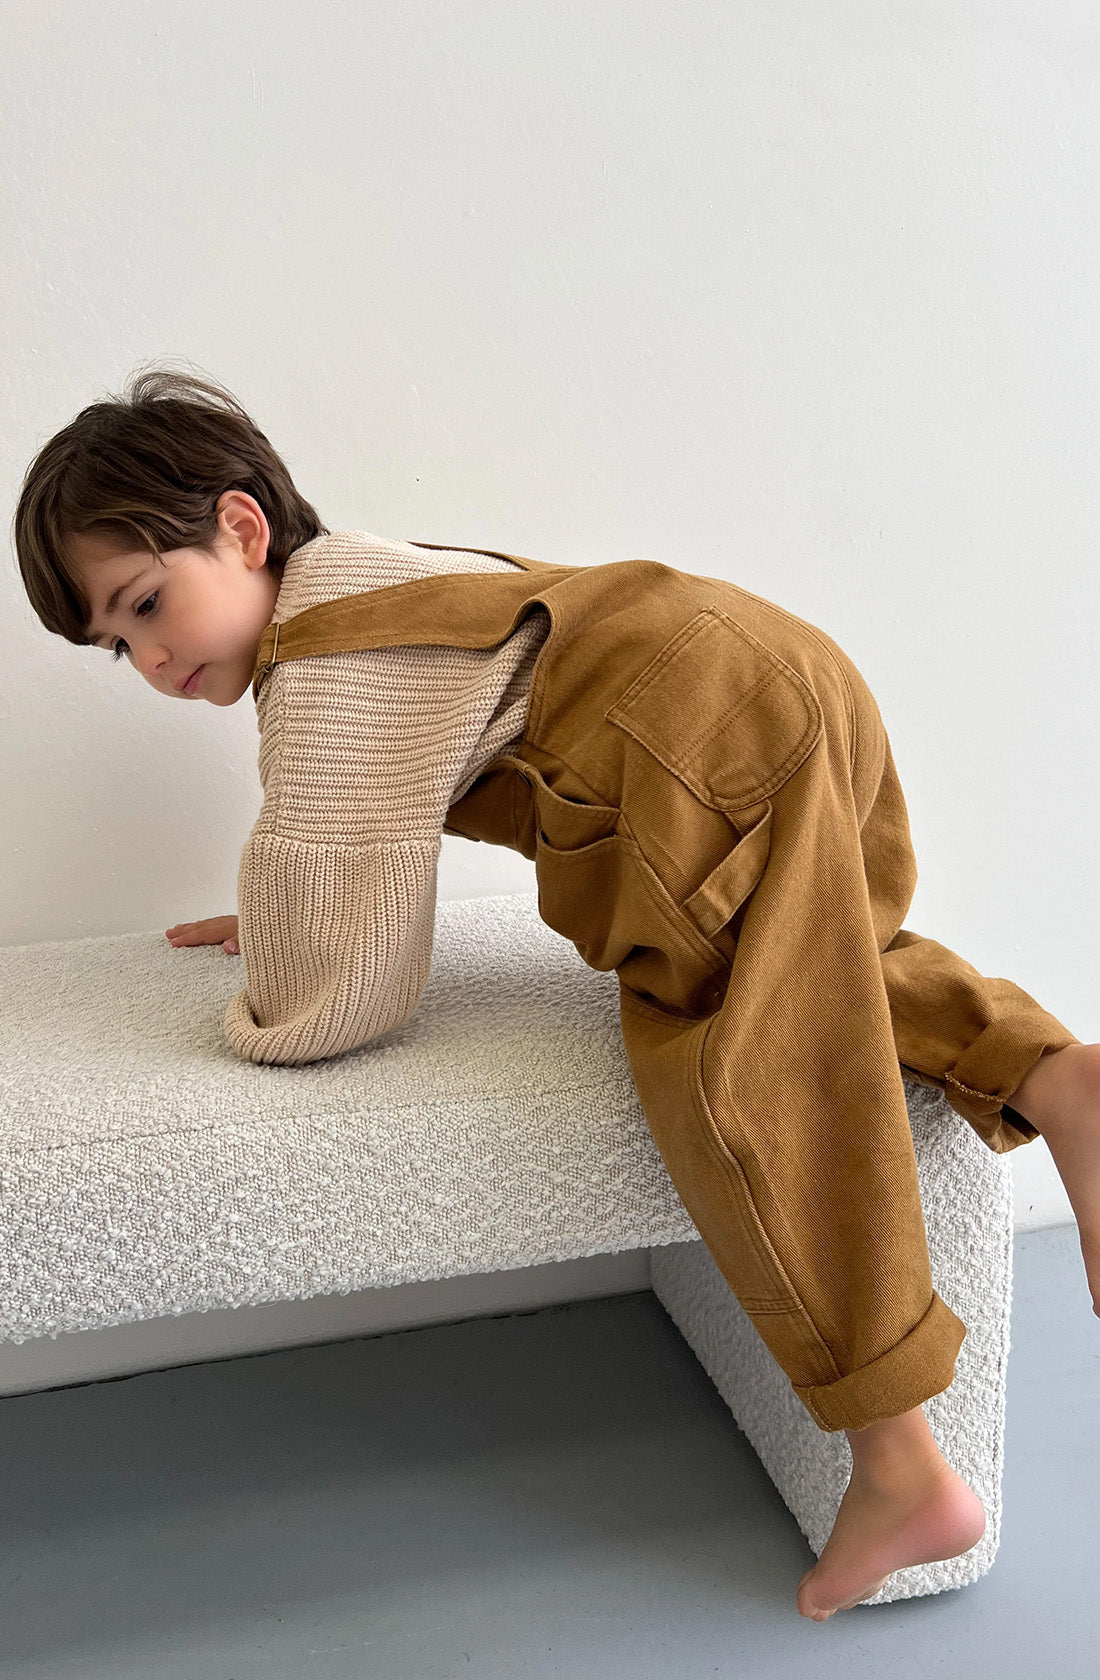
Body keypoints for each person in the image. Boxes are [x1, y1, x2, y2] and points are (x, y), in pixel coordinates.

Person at [13, 365, 1099, 1622]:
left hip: (689, 757)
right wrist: (275, 904)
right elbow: (371, 809)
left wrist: (261, 1000)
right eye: (114, 645)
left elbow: (344, 980)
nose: (148, 658)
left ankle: (899, 1458)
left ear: (243, 529)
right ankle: (1054, 1076)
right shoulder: (365, 573)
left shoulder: (317, 670)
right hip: (771, 673)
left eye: (147, 604)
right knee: (814, 971)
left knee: (733, 1066)